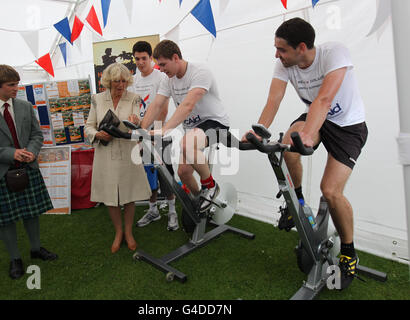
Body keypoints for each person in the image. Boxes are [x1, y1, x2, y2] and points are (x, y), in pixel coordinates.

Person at [242, 18, 368, 290]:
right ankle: (295, 203)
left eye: (281, 49)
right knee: (288, 147)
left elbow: (323, 100)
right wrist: (260, 131)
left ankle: (348, 252)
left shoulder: (334, 53)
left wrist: (309, 135)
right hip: (315, 117)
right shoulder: (285, 63)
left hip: (348, 128)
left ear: (301, 47)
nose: (277, 54)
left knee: (331, 191)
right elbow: (273, 99)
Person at [0, 65, 57, 280]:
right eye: (11, 85)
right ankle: (15, 258)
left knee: (32, 213)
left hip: (28, 168)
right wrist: (11, 154)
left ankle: (36, 249)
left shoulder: (25, 106)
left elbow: (36, 135)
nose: (16, 88)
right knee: (5, 220)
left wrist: (32, 152)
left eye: (17, 83)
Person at [140, 40, 231, 213]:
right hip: (194, 129)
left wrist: (165, 129)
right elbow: (156, 105)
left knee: (186, 144)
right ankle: (201, 200)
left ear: (176, 58)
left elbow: (188, 104)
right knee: (183, 172)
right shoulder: (169, 79)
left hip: (216, 123)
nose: (161, 69)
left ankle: (210, 186)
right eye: (159, 66)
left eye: (163, 64)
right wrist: (142, 131)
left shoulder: (200, 71)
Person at [85, 63, 151, 254]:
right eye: (116, 81)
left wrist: (136, 122)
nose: (121, 85)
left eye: (124, 81)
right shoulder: (96, 99)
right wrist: (97, 134)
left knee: (129, 195)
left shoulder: (135, 98)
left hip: (127, 151)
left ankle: (129, 232)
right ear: (108, 81)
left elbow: (137, 123)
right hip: (105, 153)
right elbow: (89, 126)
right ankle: (118, 232)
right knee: (110, 196)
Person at [129, 40, 178, 231]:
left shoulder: (161, 77)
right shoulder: (133, 81)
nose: (140, 62)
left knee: (166, 174)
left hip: (159, 133)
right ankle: (153, 210)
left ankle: (172, 211)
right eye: (137, 59)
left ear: (151, 58)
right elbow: (134, 108)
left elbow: (163, 109)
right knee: (148, 175)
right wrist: (137, 129)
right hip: (142, 134)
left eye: (143, 58)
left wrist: (151, 133)